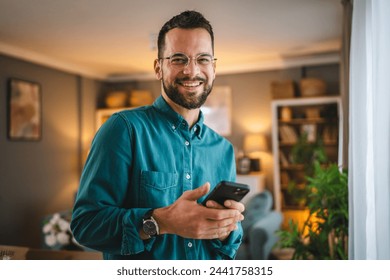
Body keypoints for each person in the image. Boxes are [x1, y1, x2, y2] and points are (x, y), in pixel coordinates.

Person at [71, 10, 244, 260]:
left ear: (214, 68)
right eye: (178, 59)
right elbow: (86, 226)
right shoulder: (123, 129)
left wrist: (225, 229)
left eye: (203, 59)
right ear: (158, 67)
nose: (191, 71)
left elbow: (230, 246)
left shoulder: (224, 150)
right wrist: (161, 222)